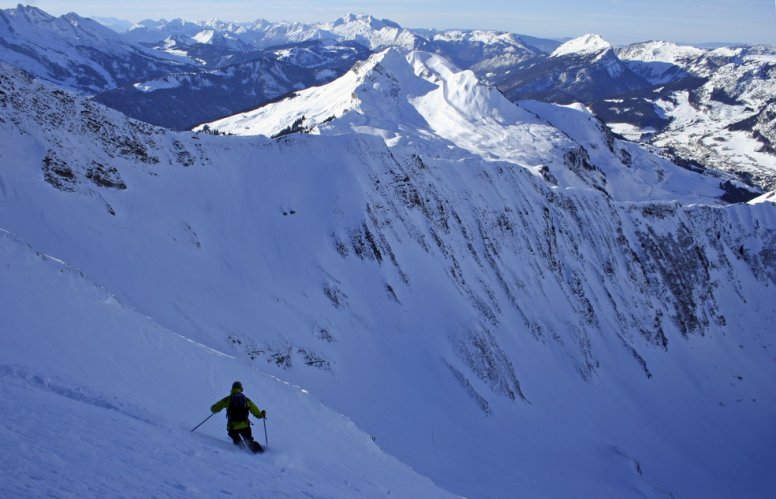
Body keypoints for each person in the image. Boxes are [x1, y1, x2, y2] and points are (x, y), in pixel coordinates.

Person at [211, 381, 266, 453]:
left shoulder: (228, 399)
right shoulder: (246, 400)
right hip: (245, 426)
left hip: (233, 427)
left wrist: (213, 409)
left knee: (238, 442)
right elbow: (256, 412)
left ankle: (241, 454)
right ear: (241, 389)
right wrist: (261, 414)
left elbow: (215, 408)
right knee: (249, 442)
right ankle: (262, 455)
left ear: (232, 389)